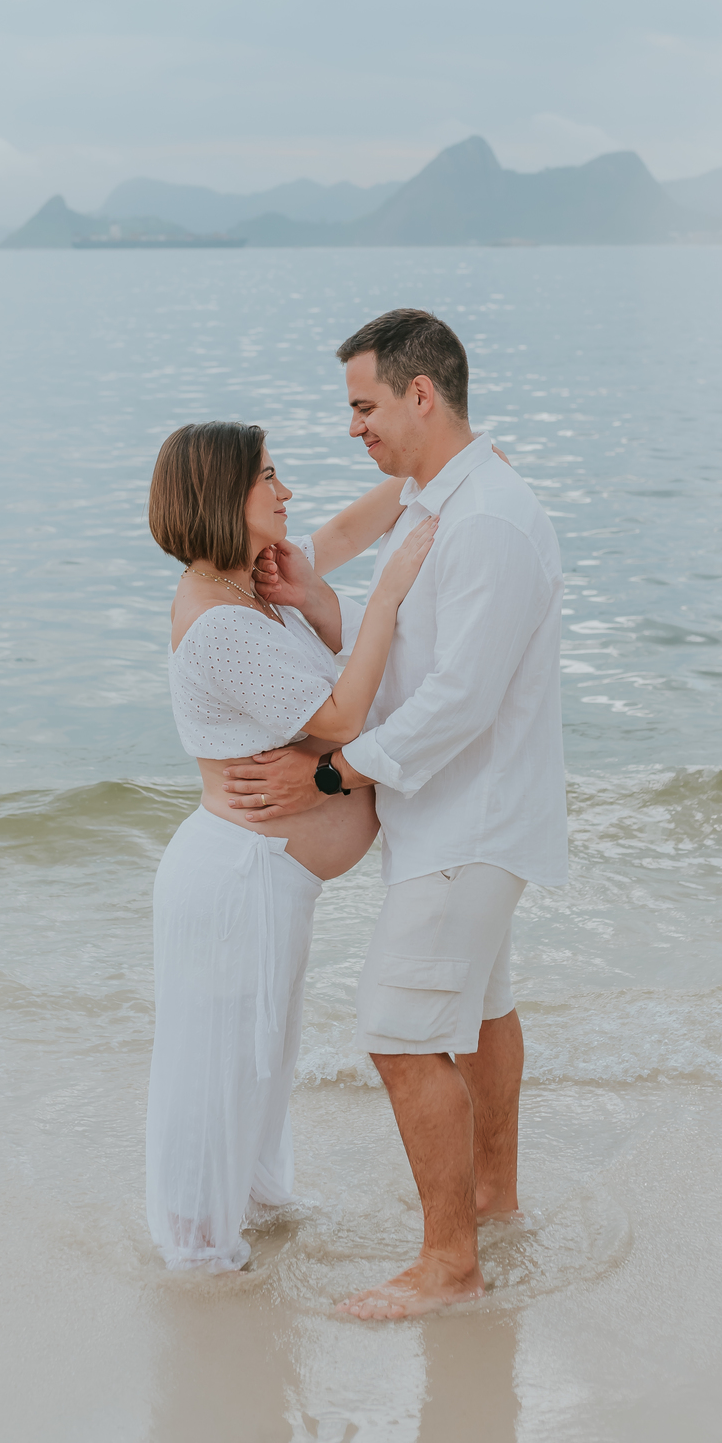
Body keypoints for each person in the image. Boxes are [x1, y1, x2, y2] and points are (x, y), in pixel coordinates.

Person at [224, 309, 568, 1318]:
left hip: (467, 821)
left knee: (398, 1031)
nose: (353, 428)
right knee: (481, 1013)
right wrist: (323, 608)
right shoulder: (434, 502)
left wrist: (336, 778)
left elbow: (459, 698)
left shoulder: (489, 520)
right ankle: (493, 1201)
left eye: (364, 406)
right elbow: (414, 658)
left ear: (424, 395)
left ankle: (449, 1262)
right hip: (458, 817)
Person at [145, 420, 436, 1272]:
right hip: (238, 877)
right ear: (220, 496)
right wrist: (386, 598)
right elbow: (341, 720)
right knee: (222, 1067)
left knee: (259, 1061)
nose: (287, 492)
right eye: (269, 477)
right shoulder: (220, 622)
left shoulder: (251, 584)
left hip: (264, 877)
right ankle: (198, 1256)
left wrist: (435, 470)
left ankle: (249, 1212)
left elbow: (345, 531)